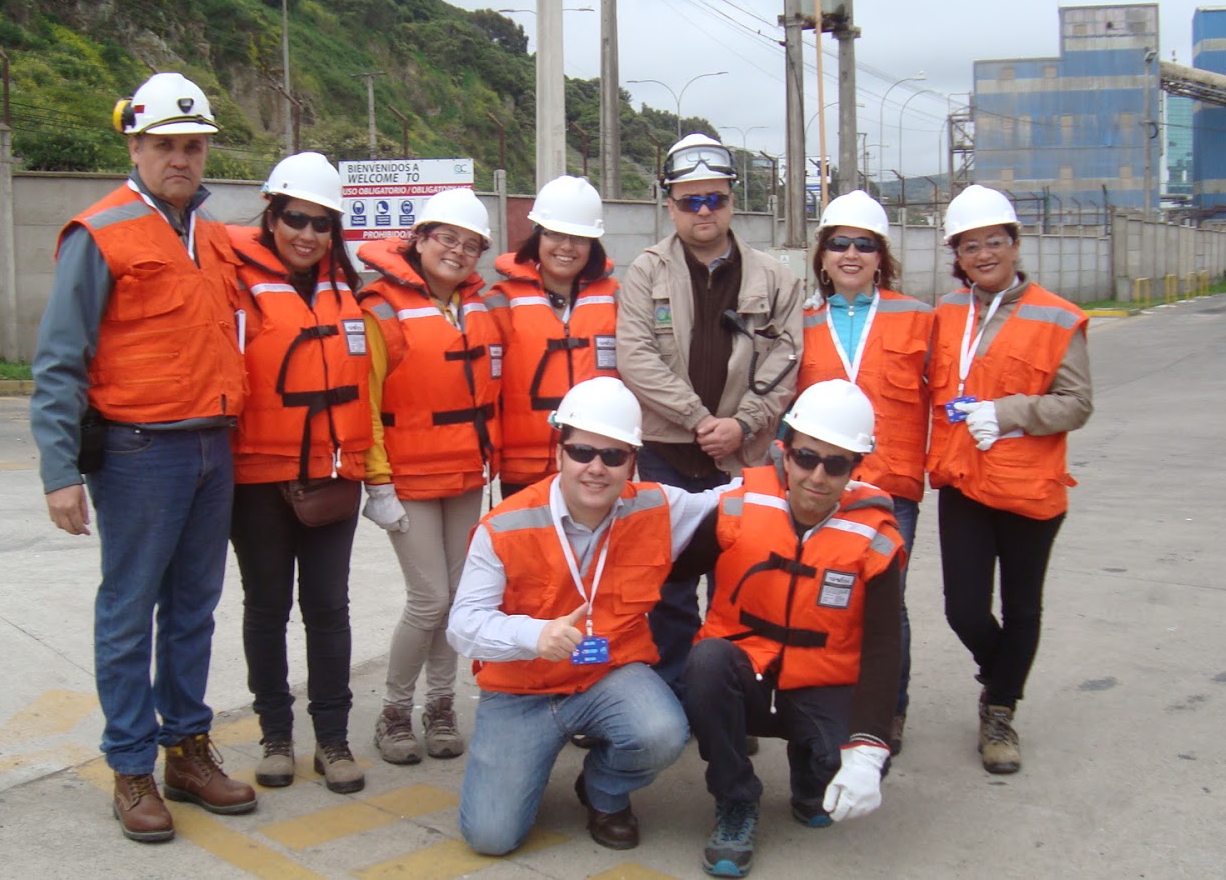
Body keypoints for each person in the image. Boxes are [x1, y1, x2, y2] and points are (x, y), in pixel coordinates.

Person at [30, 72, 255, 842]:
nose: (182, 159)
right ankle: (130, 765)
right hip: (136, 453)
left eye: (193, 146)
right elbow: (59, 361)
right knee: (128, 613)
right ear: (135, 144)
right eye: (165, 145)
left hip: (211, 448)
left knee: (193, 609)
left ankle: (185, 751)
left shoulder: (216, 236)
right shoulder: (99, 232)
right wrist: (61, 472)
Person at [447, 377, 729, 856]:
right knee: (490, 838)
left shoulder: (657, 506)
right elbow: (463, 625)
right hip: (523, 691)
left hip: (607, 676)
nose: (596, 468)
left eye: (614, 456)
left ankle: (604, 790)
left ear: (632, 462)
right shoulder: (505, 526)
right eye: (582, 452)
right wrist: (534, 634)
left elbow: (735, 500)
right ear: (560, 452)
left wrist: (825, 478)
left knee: (663, 733)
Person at [683, 379, 905, 877]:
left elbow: (885, 647)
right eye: (807, 458)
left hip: (822, 682)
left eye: (838, 464)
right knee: (705, 663)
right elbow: (671, 573)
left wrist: (869, 748)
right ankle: (737, 800)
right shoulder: (739, 504)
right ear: (784, 452)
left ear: (856, 469)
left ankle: (811, 779)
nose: (818, 477)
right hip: (746, 675)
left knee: (847, 762)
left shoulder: (876, 537)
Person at [616, 133, 804, 693]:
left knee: (739, 578)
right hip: (665, 453)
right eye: (690, 200)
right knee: (667, 585)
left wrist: (741, 425)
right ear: (669, 203)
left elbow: (784, 360)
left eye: (714, 199)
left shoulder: (774, 279)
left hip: (742, 457)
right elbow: (636, 357)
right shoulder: (646, 273)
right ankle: (673, 687)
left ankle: (727, 697)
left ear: (731, 201)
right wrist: (700, 421)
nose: (703, 210)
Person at [928, 184, 1093, 774]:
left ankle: (999, 711)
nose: (983, 255)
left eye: (994, 241)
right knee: (964, 610)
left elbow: (1076, 403)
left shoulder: (1057, 316)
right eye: (970, 246)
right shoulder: (947, 312)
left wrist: (1010, 412)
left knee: (1023, 610)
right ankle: (1001, 675)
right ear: (957, 255)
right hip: (965, 483)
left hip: (1029, 490)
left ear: (1016, 244)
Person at [226, 152, 375, 795]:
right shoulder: (233, 281)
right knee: (266, 609)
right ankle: (277, 736)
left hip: (331, 477)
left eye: (321, 223)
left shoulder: (351, 290)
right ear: (271, 211)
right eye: (295, 218)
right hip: (257, 478)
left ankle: (333, 740)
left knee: (329, 610)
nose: (307, 234)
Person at [356, 188, 502, 766]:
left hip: (465, 474)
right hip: (408, 480)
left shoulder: (478, 306)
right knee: (429, 598)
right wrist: (378, 484)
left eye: (471, 245)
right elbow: (365, 404)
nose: (458, 252)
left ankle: (439, 706)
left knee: (458, 599)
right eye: (446, 238)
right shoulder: (380, 308)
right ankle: (394, 712)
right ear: (418, 239)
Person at [795, 190, 932, 756]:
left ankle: (887, 708)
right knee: (822, 595)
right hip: (820, 486)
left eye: (864, 245)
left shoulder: (920, 318)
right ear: (822, 255)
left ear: (882, 256)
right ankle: (824, 694)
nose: (851, 254)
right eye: (839, 244)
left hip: (891, 487)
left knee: (885, 604)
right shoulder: (802, 321)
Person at [487, 175, 619, 499]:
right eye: (555, 234)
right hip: (524, 467)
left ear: (593, 244)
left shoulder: (618, 301)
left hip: (597, 464)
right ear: (537, 236)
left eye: (579, 238)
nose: (566, 247)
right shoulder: (499, 302)